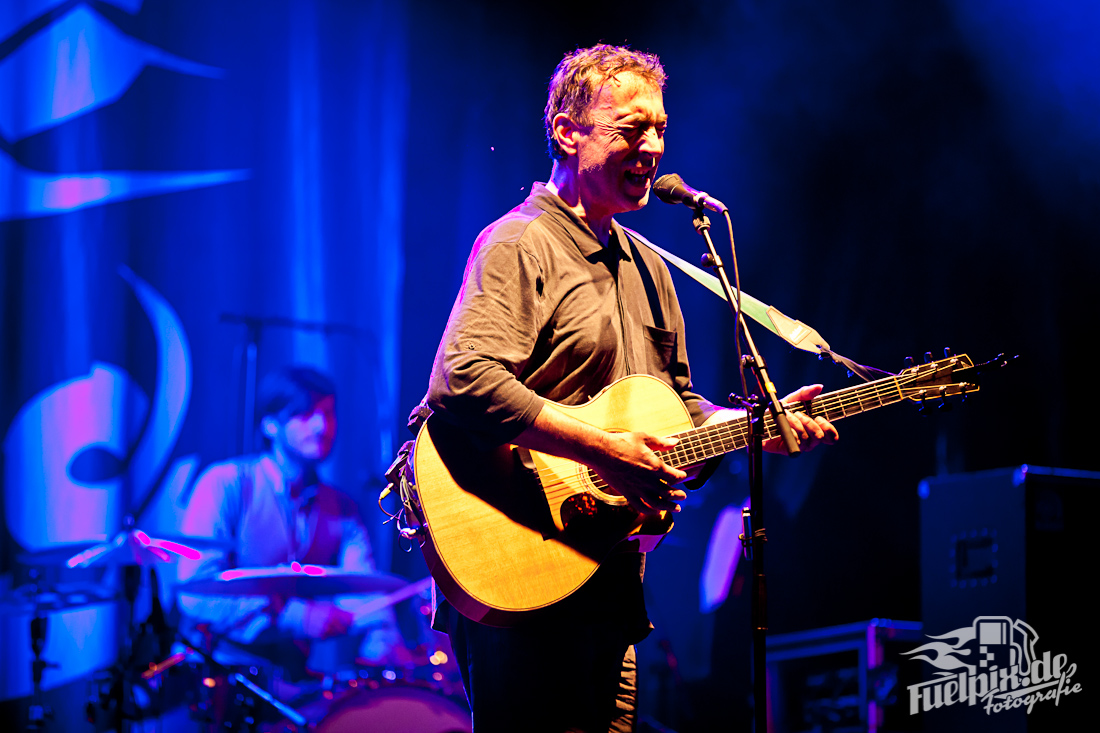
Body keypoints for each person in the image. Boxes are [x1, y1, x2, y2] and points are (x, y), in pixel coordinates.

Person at [419, 44, 838, 732]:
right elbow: (462, 378)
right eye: (630, 128)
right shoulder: (518, 243)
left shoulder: (651, 269)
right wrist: (604, 448)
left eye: (660, 129)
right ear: (566, 131)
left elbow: (678, 408)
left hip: (607, 576)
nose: (652, 146)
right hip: (518, 559)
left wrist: (752, 424)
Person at [176, 366, 403, 679]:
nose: (321, 426)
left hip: (292, 681)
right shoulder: (225, 484)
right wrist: (297, 616)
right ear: (270, 425)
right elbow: (196, 593)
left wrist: (381, 658)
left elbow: (368, 599)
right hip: (215, 673)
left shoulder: (341, 510)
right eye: (305, 414)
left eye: (327, 413)